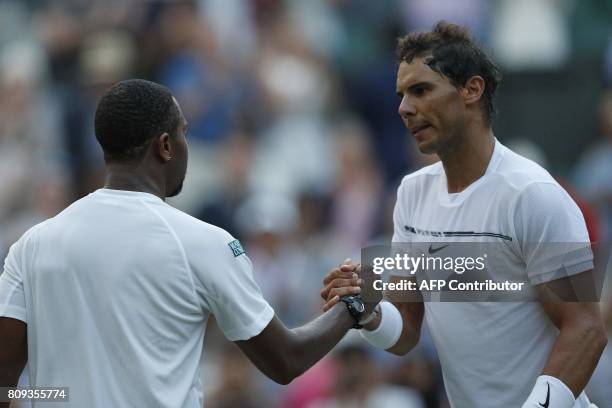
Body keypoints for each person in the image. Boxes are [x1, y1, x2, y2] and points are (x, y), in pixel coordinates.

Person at [0, 79, 379, 408]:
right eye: (183, 132)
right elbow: (284, 360)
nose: (185, 144)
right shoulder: (205, 243)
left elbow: (5, 379)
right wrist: (353, 306)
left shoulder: (31, 244)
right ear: (165, 145)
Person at [321, 22, 606, 408]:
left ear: (472, 90)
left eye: (421, 90)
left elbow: (586, 328)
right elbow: (405, 330)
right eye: (402, 94)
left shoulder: (534, 194)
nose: (404, 108)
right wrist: (365, 310)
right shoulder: (410, 193)